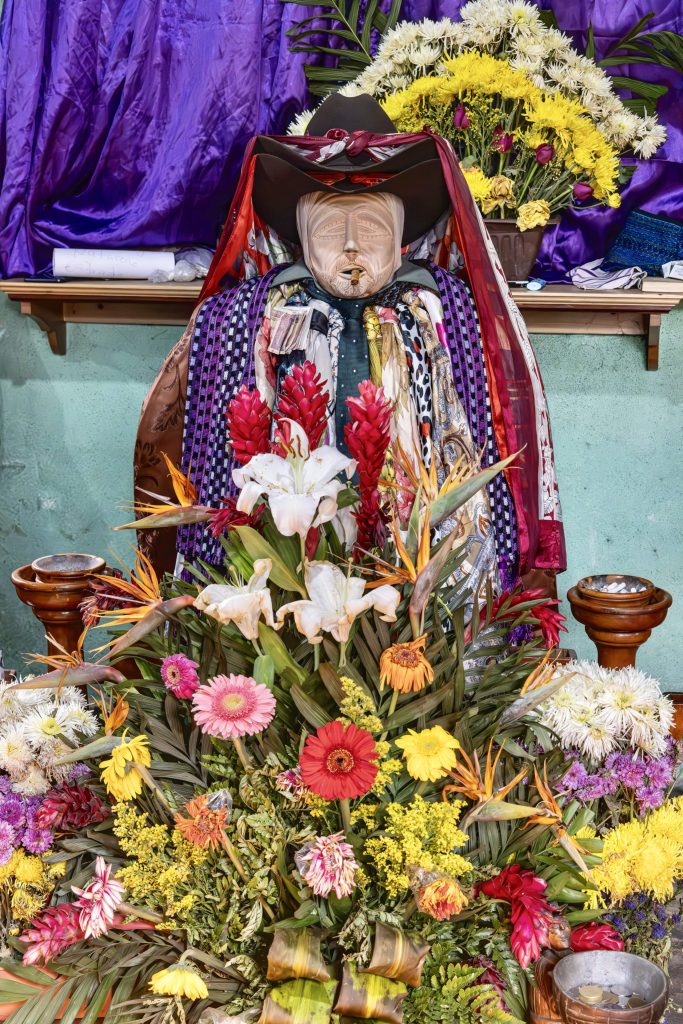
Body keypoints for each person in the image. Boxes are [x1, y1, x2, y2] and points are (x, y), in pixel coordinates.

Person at [136, 93, 565, 596]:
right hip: (283, 564)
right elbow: (194, 456)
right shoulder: (237, 318)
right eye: (328, 227)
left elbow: (494, 452)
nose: (350, 245)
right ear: (299, 235)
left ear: (403, 236)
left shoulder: (455, 316)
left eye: (370, 226)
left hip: (421, 565)